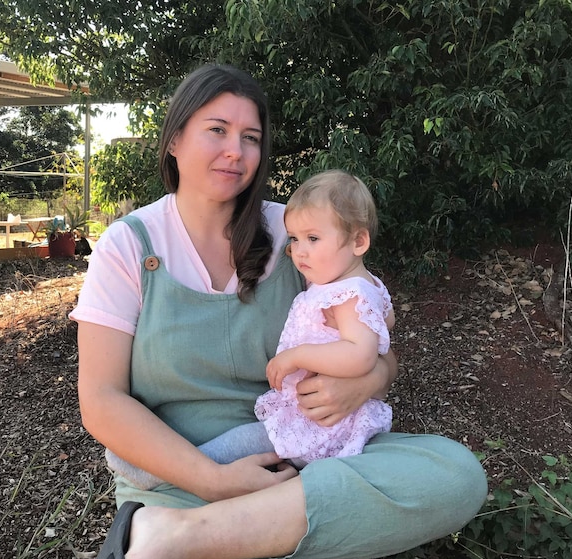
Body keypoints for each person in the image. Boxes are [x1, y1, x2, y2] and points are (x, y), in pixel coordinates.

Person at [70, 63, 487, 559]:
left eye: (251, 137)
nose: (235, 151)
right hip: (173, 477)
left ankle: (178, 541)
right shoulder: (128, 246)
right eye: (217, 130)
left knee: (455, 475)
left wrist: (371, 378)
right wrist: (212, 480)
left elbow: (371, 335)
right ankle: (182, 525)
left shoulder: (294, 232)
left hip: (292, 460)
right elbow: (101, 401)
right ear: (175, 139)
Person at [105, 169, 395, 490]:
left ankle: (160, 472)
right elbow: (384, 325)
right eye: (295, 239)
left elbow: (364, 353)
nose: (299, 251)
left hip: (319, 418)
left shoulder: (348, 292)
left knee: (244, 443)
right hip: (309, 411)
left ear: (359, 241)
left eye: (312, 239)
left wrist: (300, 356)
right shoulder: (350, 285)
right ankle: (176, 469)